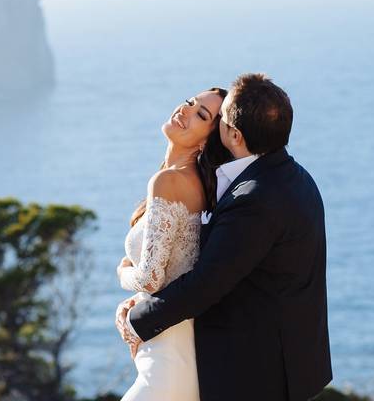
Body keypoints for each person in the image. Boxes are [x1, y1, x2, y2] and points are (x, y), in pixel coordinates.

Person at [116, 73, 332, 401]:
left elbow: (206, 285)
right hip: (286, 361)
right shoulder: (295, 177)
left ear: (232, 134)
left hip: (258, 372)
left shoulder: (254, 198)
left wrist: (136, 320)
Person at [116, 87, 232, 401]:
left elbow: (151, 278)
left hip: (168, 358)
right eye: (190, 102)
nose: (185, 110)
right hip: (180, 348)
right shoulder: (196, 184)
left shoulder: (169, 182)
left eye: (201, 115)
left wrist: (123, 272)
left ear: (208, 140)